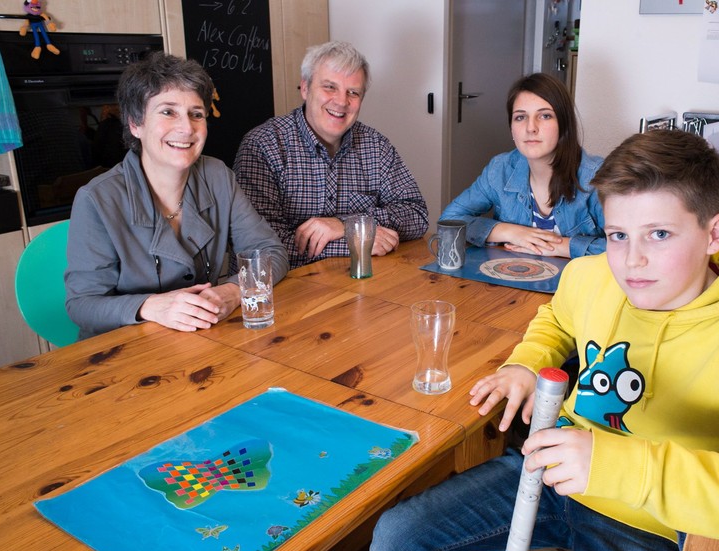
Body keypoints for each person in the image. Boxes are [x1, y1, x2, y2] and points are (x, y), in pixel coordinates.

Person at [365, 130, 719, 551]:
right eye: (618, 235)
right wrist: (526, 363)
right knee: (396, 535)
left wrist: (616, 466)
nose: (631, 260)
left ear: (715, 234)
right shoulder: (592, 276)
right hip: (553, 475)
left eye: (659, 235)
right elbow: (557, 318)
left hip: (645, 523)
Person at [65, 52, 288, 340]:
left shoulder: (218, 175)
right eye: (168, 111)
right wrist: (150, 306)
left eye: (196, 114)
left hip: (200, 341)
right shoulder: (97, 199)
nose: (186, 128)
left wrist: (233, 292)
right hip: (124, 352)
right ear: (135, 123)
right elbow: (81, 305)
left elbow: (271, 253)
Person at [233, 41, 428, 270]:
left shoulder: (376, 146)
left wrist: (345, 225)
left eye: (353, 92)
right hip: (281, 293)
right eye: (330, 87)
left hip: (357, 285)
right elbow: (264, 249)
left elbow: (416, 215)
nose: (341, 101)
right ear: (305, 88)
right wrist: (359, 241)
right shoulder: (262, 146)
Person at [439, 73, 605, 258]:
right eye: (520, 117)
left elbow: (632, 247)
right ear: (511, 127)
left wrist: (562, 247)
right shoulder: (500, 169)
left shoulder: (596, 176)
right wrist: (509, 232)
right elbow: (449, 220)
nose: (530, 128)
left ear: (564, 124)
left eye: (545, 116)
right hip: (512, 280)